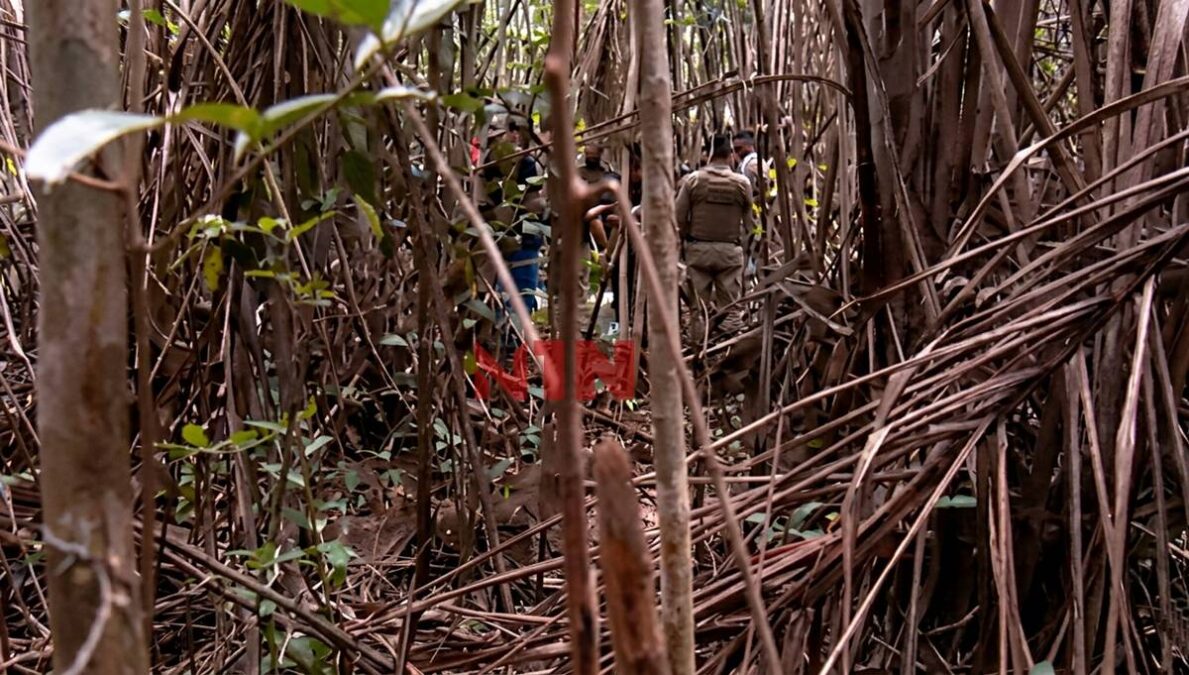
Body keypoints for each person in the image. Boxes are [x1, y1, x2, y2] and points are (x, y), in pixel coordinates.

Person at [676, 134, 754, 341]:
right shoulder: (742, 183)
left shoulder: (693, 180)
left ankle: (697, 352)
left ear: (709, 155)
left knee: (697, 310)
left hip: (698, 250)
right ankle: (728, 351)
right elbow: (750, 224)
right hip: (730, 252)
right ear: (731, 156)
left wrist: (685, 242)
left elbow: (678, 217)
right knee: (729, 309)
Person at [480, 112, 547, 319]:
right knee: (497, 298)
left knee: (520, 300)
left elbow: (534, 204)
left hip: (522, 241)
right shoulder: (486, 166)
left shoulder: (525, 163)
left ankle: (515, 344)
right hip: (497, 240)